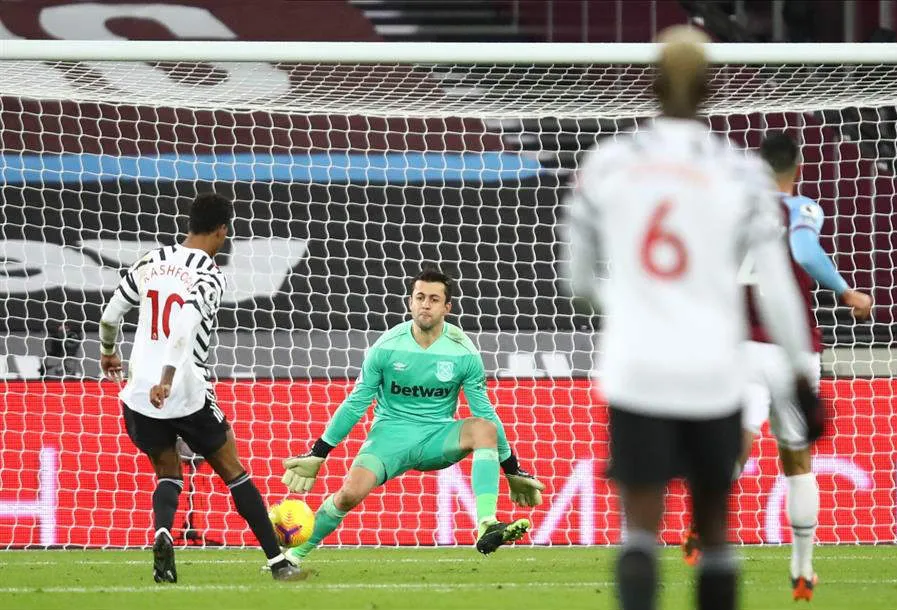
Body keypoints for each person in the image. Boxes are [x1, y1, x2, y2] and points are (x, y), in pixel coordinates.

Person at [561, 26, 823, 610]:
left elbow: (576, 282)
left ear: (650, 85)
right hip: (713, 369)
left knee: (640, 528)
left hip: (638, 369)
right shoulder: (741, 172)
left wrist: (634, 310)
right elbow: (779, 290)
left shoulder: (608, 163)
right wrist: (801, 380)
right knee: (715, 525)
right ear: (711, 89)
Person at [681, 132, 873, 601]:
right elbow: (805, 252)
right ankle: (802, 571)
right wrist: (846, 291)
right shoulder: (801, 208)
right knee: (797, 461)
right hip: (792, 347)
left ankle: (704, 520)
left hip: (740, 343)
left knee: (736, 442)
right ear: (798, 169)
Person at [99, 192, 304, 582]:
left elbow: (110, 315)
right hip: (184, 389)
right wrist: (168, 379)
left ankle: (162, 532)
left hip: (139, 393)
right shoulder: (209, 275)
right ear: (222, 230)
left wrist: (109, 352)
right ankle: (278, 562)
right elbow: (183, 325)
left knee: (167, 473)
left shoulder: (151, 260)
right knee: (234, 471)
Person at [280, 268, 545, 564]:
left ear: (447, 307)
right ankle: (292, 556)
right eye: (420, 297)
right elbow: (356, 404)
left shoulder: (463, 352)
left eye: (434, 299)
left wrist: (511, 469)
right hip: (389, 438)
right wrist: (319, 452)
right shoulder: (387, 346)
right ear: (410, 302)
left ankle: (487, 524)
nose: (425, 305)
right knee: (348, 495)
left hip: (437, 439)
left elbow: (484, 411)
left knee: (483, 428)